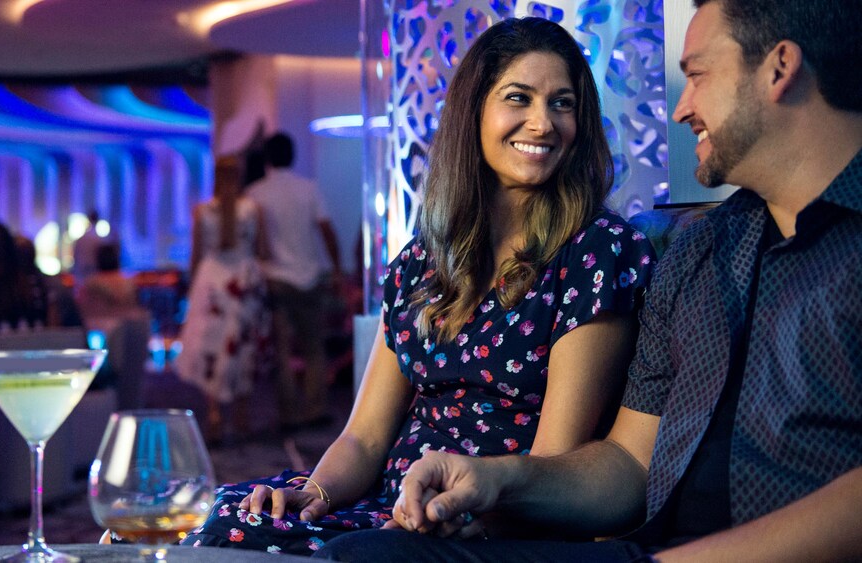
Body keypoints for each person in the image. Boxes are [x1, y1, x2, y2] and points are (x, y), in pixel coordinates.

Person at [315, 1, 862, 561]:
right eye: (518, 98)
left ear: (780, 67)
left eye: (695, 75)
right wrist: (497, 480)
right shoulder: (702, 250)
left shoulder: (602, 252)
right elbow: (628, 464)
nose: (681, 108)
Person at [178, 17, 655, 556]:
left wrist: (450, 517)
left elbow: (550, 462)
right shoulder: (423, 261)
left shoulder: (597, 251)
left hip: (489, 519)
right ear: (473, 113)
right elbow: (364, 437)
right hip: (390, 501)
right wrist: (314, 492)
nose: (543, 123)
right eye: (519, 98)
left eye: (562, 103)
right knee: (218, 519)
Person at [245, 132, 342, 430]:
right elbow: (326, 230)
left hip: (275, 278)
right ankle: (315, 409)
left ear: (267, 159)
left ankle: (288, 413)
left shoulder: (255, 193)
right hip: (309, 277)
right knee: (314, 348)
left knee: (283, 349)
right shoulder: (308, 189)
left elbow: (251, 241)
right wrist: (337, 268)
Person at [174, 156, 269, 443]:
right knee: (242, 345)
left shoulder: (203, 212)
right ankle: (242, 414)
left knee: (210, 347)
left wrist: (191, 289)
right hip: (242, 280)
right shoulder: (253, 210)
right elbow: (263, 249)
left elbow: (196, 254)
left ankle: (214, 413)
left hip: (212, 282)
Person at [72, 209, 106, 284]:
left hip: (82, 273)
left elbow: (75, 256)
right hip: (93, 273)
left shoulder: (81, 239)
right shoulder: (99, 240)